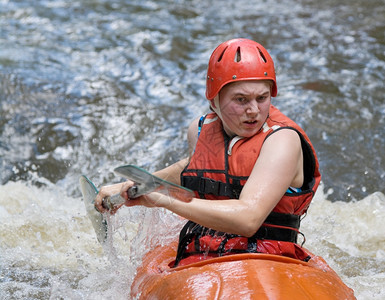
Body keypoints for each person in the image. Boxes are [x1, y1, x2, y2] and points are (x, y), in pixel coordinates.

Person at [95, 38, 321, 267]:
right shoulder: (200, 130)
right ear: (214, 100)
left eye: (262, 98)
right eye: (240, 100)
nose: (253, 110)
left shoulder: (282, 140)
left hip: (272, 258)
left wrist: (164, 200)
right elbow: (196, 168)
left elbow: (248, 218)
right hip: (204, 253)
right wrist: (143, 183)